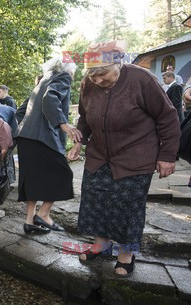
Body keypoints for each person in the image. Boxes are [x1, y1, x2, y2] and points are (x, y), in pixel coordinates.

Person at [68, 40, 180, 278]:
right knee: (96, 202)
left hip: (135, 156)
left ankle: (126, 254)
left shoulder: (142, 80)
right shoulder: (88, 84)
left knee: (129, 208)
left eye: (102, 73)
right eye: (92, 75)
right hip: (99, 156)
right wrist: (80, 140)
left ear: (118, 63)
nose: (97, 80)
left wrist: (168, 155)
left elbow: (168, 117)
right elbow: (85, 117)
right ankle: (101, 245)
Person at [15, 56, 78, 235]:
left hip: (25, 137)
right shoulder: (63, 77)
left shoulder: (43, 80)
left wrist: (12, 131)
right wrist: (64, 124)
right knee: (63, 174)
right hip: (43, 137)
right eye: (74, 72)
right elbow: (50, 99)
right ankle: (43, 214)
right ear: (68, 69)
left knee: (31, 179)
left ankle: (30, 222)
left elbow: (22, 110)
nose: (74, 75)